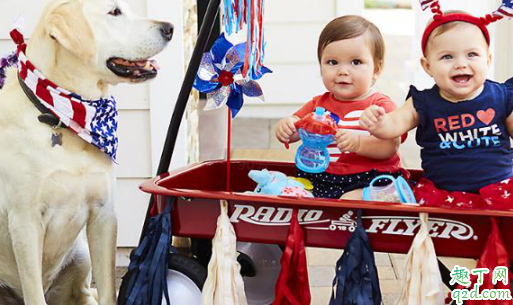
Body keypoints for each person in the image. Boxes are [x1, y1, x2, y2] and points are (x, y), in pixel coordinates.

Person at [359, 9, 513, 210]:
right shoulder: (422, 102)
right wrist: (379, 123)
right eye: (447, 57)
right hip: (444, 195)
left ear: (488, 60)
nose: (460, 64)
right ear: (428, 66)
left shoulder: (501, 97)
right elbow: (395, 123)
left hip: (499, 192)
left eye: (472, 54)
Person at [274, 15, 406, 199]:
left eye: (356, 62)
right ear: (321, 66)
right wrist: (287, 126)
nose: (343, 71)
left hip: (369, 176)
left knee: (352, 198)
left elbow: (390, 146)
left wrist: (358, 143)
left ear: (376, 69)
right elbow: (298, 127)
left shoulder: (380, 106)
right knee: (292, 190)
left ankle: (384, 196)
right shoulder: (318, 104)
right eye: (332, 62)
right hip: (323, 175)